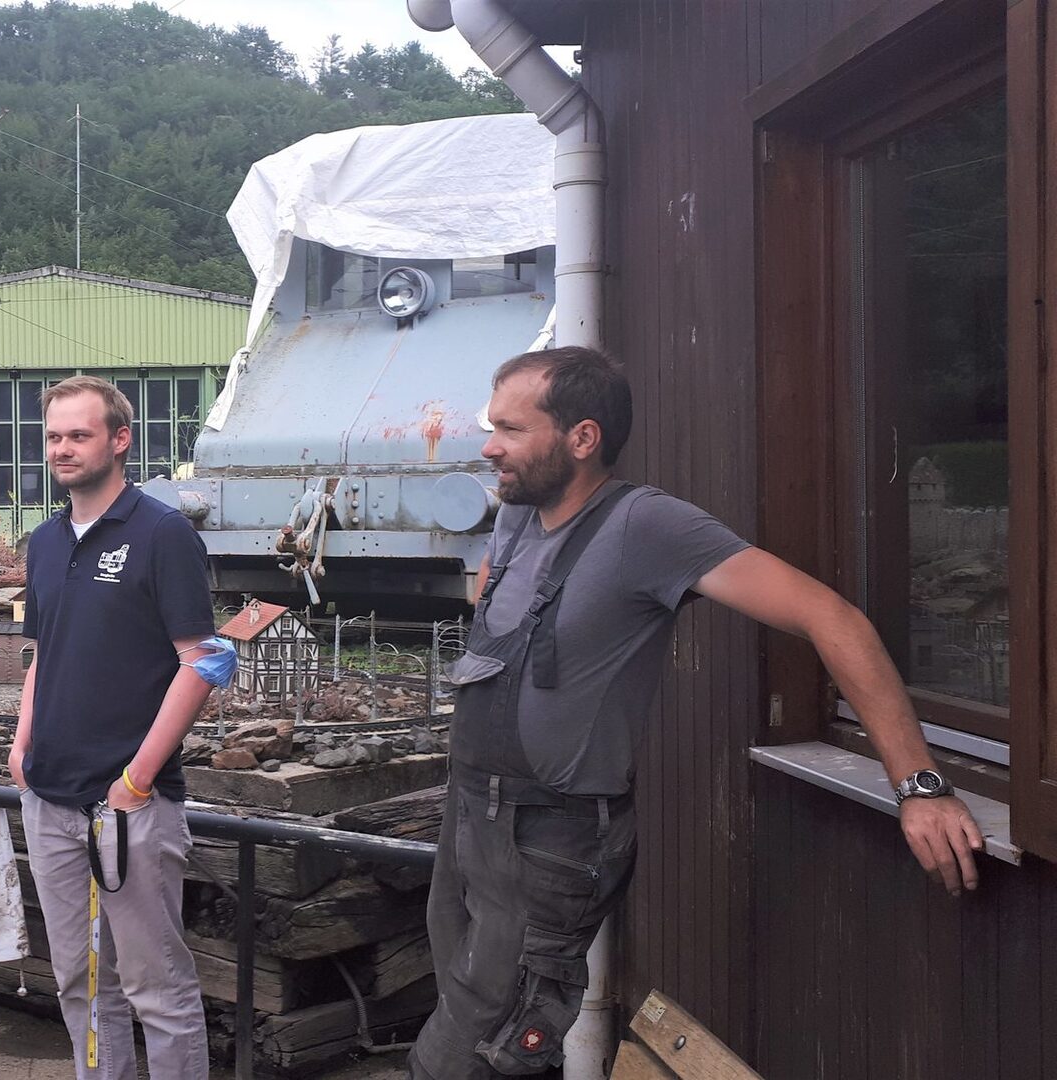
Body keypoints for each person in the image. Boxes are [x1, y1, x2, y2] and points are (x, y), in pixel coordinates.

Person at [409, 346, 986, 1080]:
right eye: (493, 426)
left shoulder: (646, 526)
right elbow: (496, 614)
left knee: (467, 1059)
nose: (490, 446)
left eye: (511, 430)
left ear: (582, 438)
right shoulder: (519, 514)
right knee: (476, 1025)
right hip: (472, 815)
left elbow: (833, 618)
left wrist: (920, 787)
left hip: (549, 837)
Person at [10, 375, 219, 1080]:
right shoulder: (44, 542)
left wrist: (137, 779)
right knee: (79, 980)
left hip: (129, 804)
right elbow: (44, 652)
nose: (62, 449)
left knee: (157, 988)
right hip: (49, 795)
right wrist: (21, 746)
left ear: (120, 440)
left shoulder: (162, 534)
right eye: (53, 437)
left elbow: (200, 662)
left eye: (80, 434)